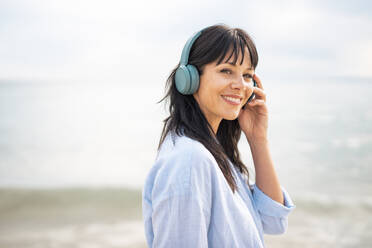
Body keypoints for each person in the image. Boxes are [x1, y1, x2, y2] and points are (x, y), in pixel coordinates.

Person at [142, 23, 296, 248]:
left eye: (247, 75)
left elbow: (273, 220)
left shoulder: (213, 151)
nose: (240, 85)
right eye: (226, 71)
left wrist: (258, 138)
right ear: (190, 78)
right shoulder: (189, 160)